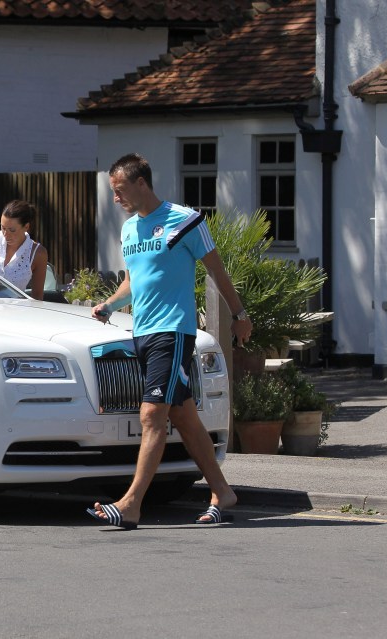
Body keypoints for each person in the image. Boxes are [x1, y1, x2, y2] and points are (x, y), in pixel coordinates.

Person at [88, 152, 252, 530]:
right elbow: (133, 282)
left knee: (152, 415)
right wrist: (109, 305)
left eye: (119, 190)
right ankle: (222, 492)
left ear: (141, 182)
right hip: (141, 333)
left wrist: (240, 316)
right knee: (183, 415)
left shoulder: (185, 220)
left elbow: (217, 271)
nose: (115, 198)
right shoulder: (130, 229)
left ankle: (131, 504)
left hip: (173, 331)